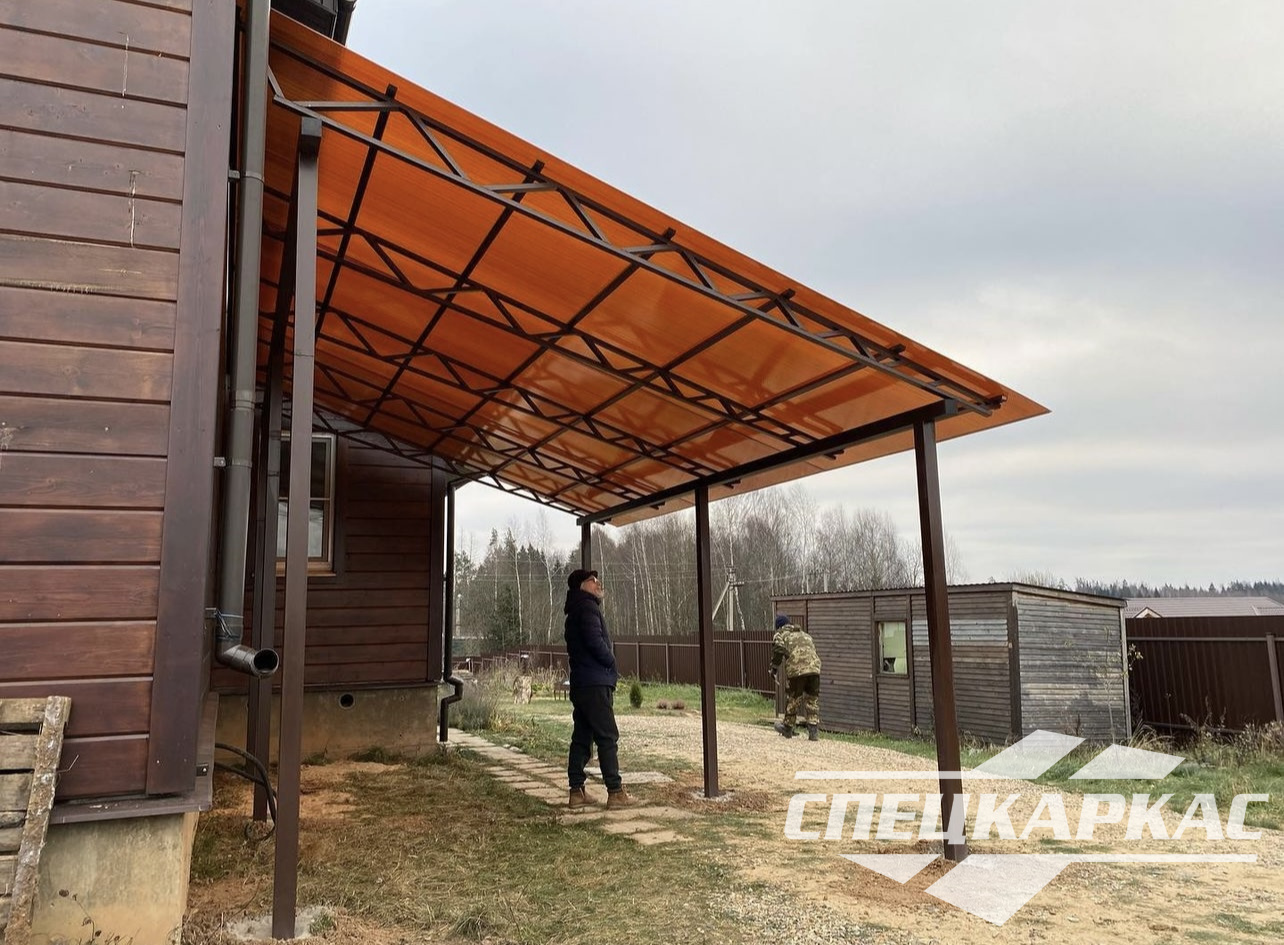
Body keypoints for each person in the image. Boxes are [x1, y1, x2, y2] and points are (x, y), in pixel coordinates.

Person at [563, 568, 634, 809]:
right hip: (595, 683)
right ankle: (615, 792)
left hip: (581, 683)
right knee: (607, 736)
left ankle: (576, 792)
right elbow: (595, 641)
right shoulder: (588, 607)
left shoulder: (574, 611)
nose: (598, 583)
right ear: (581, 586)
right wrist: (611, 660)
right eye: (592, 580)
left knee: (582, 737)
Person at [771, 614, 822, 740]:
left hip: (797, 670)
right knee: (812, 700)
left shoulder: (781, 635)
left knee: (793, 698)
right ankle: (813, 731)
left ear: (779, 627)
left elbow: (778, 649)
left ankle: (787, 728)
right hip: (814, 670)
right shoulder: (806, 635)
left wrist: (774, 669)